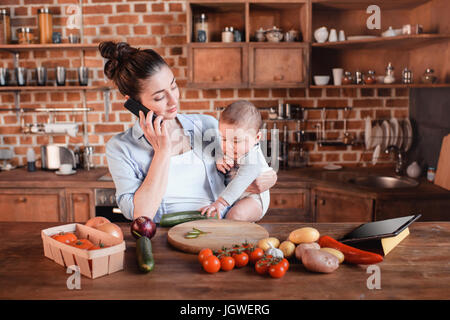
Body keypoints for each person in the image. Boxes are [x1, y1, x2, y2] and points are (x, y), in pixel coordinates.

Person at [99, 41, 277, 222]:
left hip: (219, 230)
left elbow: (251, 163)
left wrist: (268, 178)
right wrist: (162, 152)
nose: (173, 100)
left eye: (174, 86)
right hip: (165, 238)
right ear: (133, 103)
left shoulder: (207, 125)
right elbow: (140, 215)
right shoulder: (120, 147)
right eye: (160, 97)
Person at [200, 100, 271, 222]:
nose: (228, 146)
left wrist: (220, 203)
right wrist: (219, 158)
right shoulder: (233, 149)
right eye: (223, 139)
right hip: (234, 197)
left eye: (237, 141)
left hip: (254, 199)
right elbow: (217, 149)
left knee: (235, 216)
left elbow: (240, 180)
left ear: (257, 138)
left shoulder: (253, 158)